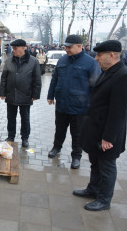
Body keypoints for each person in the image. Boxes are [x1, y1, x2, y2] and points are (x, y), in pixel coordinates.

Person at [74, 40, 127, 211]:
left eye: (100, 55)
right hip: (95, 128)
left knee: (107, 166)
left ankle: (104, 199)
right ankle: (93, 189)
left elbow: (118, 112)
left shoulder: (124, 76)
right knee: (95, 162)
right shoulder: (108, 71)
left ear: (112, 55)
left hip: (107, 133)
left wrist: (108, 138)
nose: (96, 59)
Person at [47, 35, 101, 169]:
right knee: (59, 129)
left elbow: (97, 86)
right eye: (65, 46)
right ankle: (56, 148)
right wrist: (50, 95)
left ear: (79, 46)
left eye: (69, 47)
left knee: (77, 134)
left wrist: (94, 106)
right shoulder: (62, 60)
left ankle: (76, 156)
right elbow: (55, 78)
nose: (66, 49)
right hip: (62, 104)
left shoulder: (90, 62)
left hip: (80, 107)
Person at [0, 39, 42, 147]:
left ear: (23, 48)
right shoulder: (9, 61)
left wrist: (35, 95)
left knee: (25, 118)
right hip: (11, 94)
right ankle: (11, 136)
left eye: (15, 48)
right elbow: (4, 77)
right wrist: (2, 92)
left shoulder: (33, 61)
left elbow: (37, 79)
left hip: (26, 94)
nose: (13, 50)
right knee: (11, 117)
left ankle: (25, 138)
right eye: (12, 48)